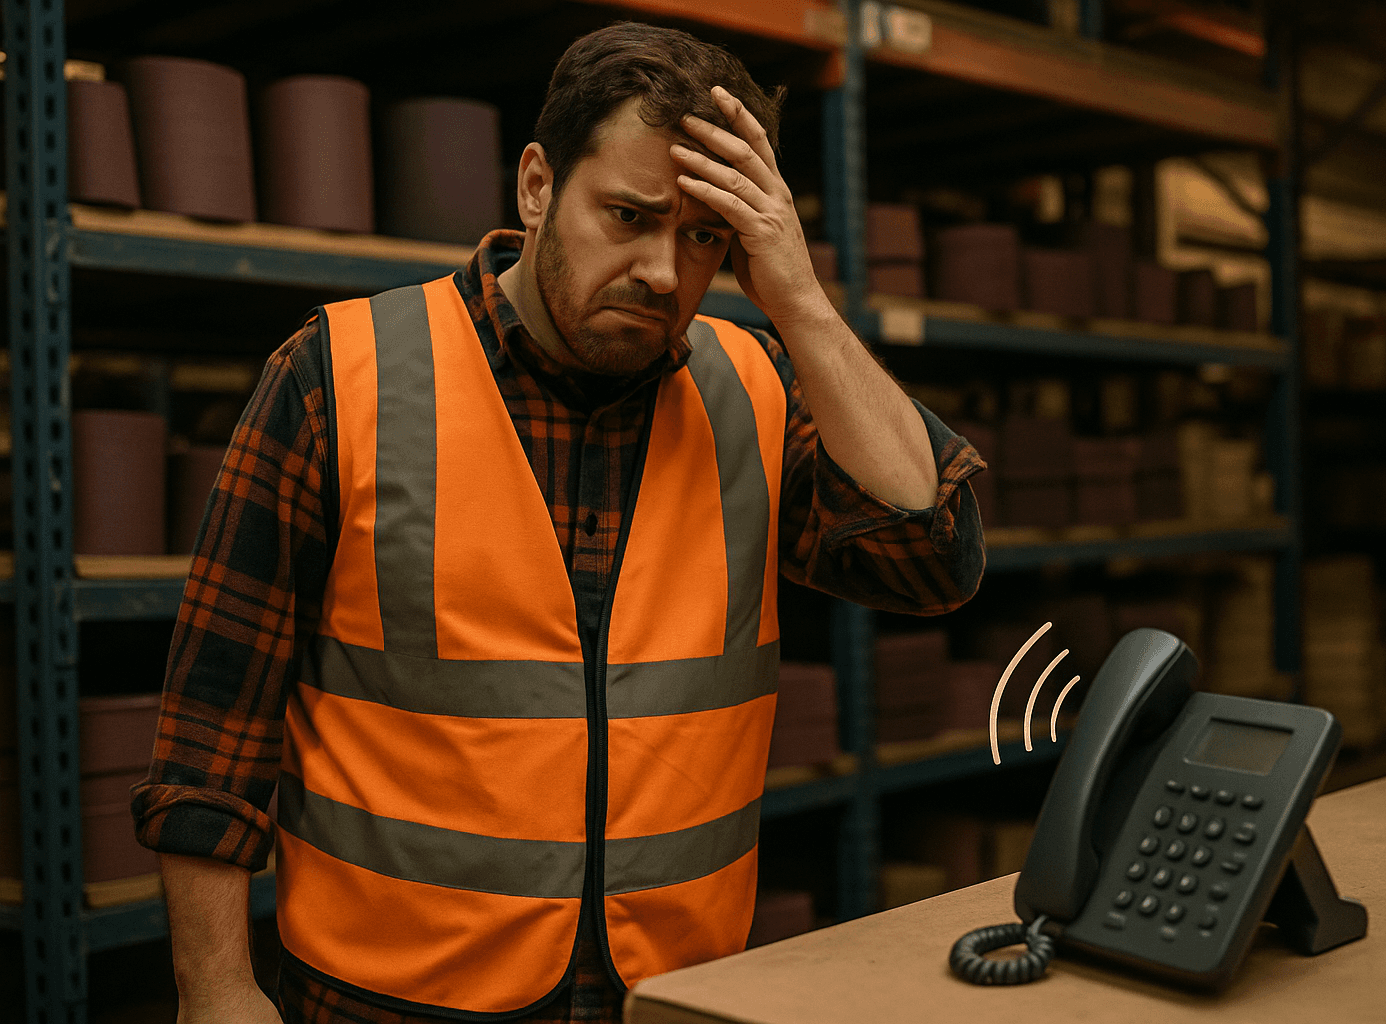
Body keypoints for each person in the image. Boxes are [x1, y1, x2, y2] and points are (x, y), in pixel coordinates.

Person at [132, 21, 986, 1024]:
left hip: (669, 998)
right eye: (628, 215)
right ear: (537, 185)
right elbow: (214, 724)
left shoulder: (755, 391)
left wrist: (797, 299)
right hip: (388, 1001)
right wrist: (218, 986)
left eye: (704, 237)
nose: (665, 273)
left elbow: (933, 559)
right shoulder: (339, 378)